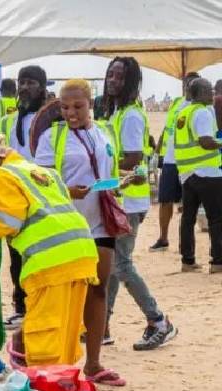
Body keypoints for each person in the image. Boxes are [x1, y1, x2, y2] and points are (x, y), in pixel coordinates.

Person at [0, 133, 98, 368]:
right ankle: (63, 383)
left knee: (43, 331)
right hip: (82, 253)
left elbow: (10, 221)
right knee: (65, 329)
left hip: (51, 260)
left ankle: (45, 388)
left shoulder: (0, 174)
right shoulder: (40, 171)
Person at [34, 79, 124, 385]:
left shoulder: (105, 132)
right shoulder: (52, 137)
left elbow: (109, 169)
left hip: (101, 221)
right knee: (66, 294)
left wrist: (122, 181)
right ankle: (58, 364)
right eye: (64, 106)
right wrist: (67, 190)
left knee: (99, 289)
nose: (70, 112)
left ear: (91, 103)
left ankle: (94, 364)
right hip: (66, 224)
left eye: (77, 106)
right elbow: (41, 181)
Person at [103, 56, 177, 352]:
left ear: (131, 81)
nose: (112, 81)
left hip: (129, 201)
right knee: (109, 266)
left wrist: (99, 171)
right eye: (110, 75)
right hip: (118, 198)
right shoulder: (118, 113)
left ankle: (158, 320)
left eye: (119, 77)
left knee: (121, 265)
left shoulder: (131, 116)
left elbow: (132, 161)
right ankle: (102, 326)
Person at [0, 66, 48, 330]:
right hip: (14, 198)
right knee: (16, 256)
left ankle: (41, 308)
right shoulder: (8, 120)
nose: (24, 87)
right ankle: (21, 307)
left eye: (30, 82)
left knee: (40, 256)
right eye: (21, 82)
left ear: (42, 87)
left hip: (42, 198)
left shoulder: (50, 118)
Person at [176, 77, 222, 273]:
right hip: (207, 173)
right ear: (201, 93)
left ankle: (188, 260)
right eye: (209, 90)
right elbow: (205, 141)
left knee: (188, 218)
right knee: (217, 218)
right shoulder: (202, 112)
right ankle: (218, 262)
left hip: (187, 174)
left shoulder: (184, 112)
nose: (212, 93)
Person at [150, 72, 200, 251]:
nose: (188, 86)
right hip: (170, 160)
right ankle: (163, 238)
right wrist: (157, 151)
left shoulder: (200, 107)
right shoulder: (177, 103)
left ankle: (187, 243)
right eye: (186, 83)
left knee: (189, 204)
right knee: (165, 199)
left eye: (192, 83)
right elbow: (167, 127)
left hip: (189, 161)